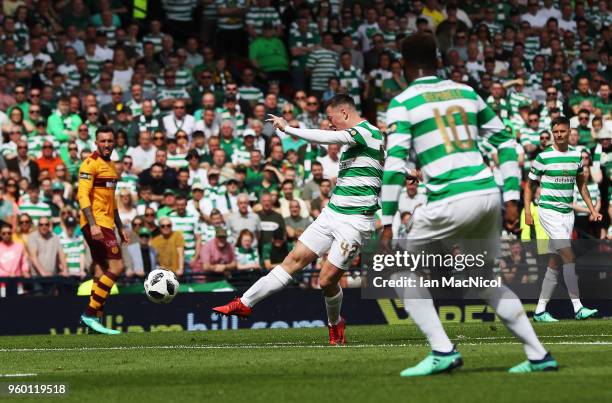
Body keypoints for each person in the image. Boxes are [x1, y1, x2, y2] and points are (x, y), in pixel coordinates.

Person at [380, 33, 555, 376]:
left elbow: (394, 164)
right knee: (483, 278)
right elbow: (506, 142)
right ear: (439, 61)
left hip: (448, 198)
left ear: (402, 66)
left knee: (397, 268)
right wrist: (510, 198)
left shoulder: (403, 102)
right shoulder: (467, 91)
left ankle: (442, 349)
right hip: (487, 194)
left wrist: (387, 222)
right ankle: (538, 354)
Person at [214, 94, 383, 345]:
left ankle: (336, 324)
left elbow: (329, 138)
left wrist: (289, 128)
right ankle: (244, 303)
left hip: (355, 222)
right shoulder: (358, 142)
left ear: (345, 113)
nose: (329, 124)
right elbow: (384, 162)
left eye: (330, 118)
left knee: (325, 281)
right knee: (293, 260)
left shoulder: (366, 132)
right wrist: (407, 172)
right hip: (332, 213)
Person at [525, 116, 602, 323]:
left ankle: (540, 311)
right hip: (548, 212)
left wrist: (592, 210)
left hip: (567, 214)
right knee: (569, 256)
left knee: (555, 261)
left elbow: (582, 185)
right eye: (555, 131)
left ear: (569, 132)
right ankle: (578, 307)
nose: (559, 135)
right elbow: (529, 186)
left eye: (562, 131)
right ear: (552, 133)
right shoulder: (543, 157)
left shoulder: (576, 157)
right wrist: (527, 211)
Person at [78, 126, 129, 335]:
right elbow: (82, 196)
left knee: (100, 268)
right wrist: (92, 224)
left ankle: (95, 322)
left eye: (110, 141)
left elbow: (112, 200)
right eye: (103, 141)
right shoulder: (90, 164)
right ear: (96, 142)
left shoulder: (111, 166)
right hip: (96, 223)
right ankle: (89, 314)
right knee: (117, 267)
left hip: (106, 223)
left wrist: (120, 226)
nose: (107, 144)